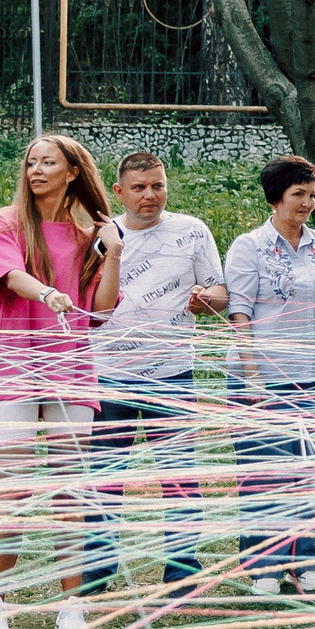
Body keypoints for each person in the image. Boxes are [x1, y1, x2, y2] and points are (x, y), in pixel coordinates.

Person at [0, 135, 123, 629]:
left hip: (71, 369)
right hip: (14, 364)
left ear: (72, 172)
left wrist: (115, 252)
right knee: (12, 489)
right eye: (31, 161)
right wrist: (48, 293)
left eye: (48, 162)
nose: (36, 169)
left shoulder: (89, 235)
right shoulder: (5, 221)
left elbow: (100, 311)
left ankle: (71, 606)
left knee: (67, 492)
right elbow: (9, 274)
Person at [79, 152, 224, 601]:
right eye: (139, 188)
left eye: (158, 185)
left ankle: (182, 572)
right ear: (119, 192)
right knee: (105, 478)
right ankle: (97, 573)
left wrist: (208, 300)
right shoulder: (99, 237)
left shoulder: (192, 231)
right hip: (109, 376)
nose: (150, 195)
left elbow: (220, 291)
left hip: (173, 374)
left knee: (180, 478)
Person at [225, 155, 315, 597]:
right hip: (261, 374)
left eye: (311, 193)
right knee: (263, 473)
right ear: (276, 198)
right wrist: (252, 376)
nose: (307, 202)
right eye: (298, 195)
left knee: (310, 470)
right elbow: (239, 314)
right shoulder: (248, 247)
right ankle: (264, 567)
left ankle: (307, 562)